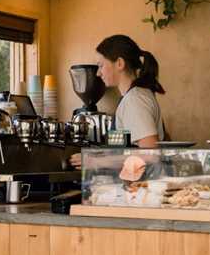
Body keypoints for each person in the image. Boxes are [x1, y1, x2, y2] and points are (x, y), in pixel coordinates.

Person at [69, 34, 166, 168]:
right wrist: (97, 155)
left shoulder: (135, 100)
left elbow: (151, 154)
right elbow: (127, 149)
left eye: (101, 65)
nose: (98, 73)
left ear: (119, 63)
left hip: (141, 185)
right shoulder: (134, 96)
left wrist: (95, 162)